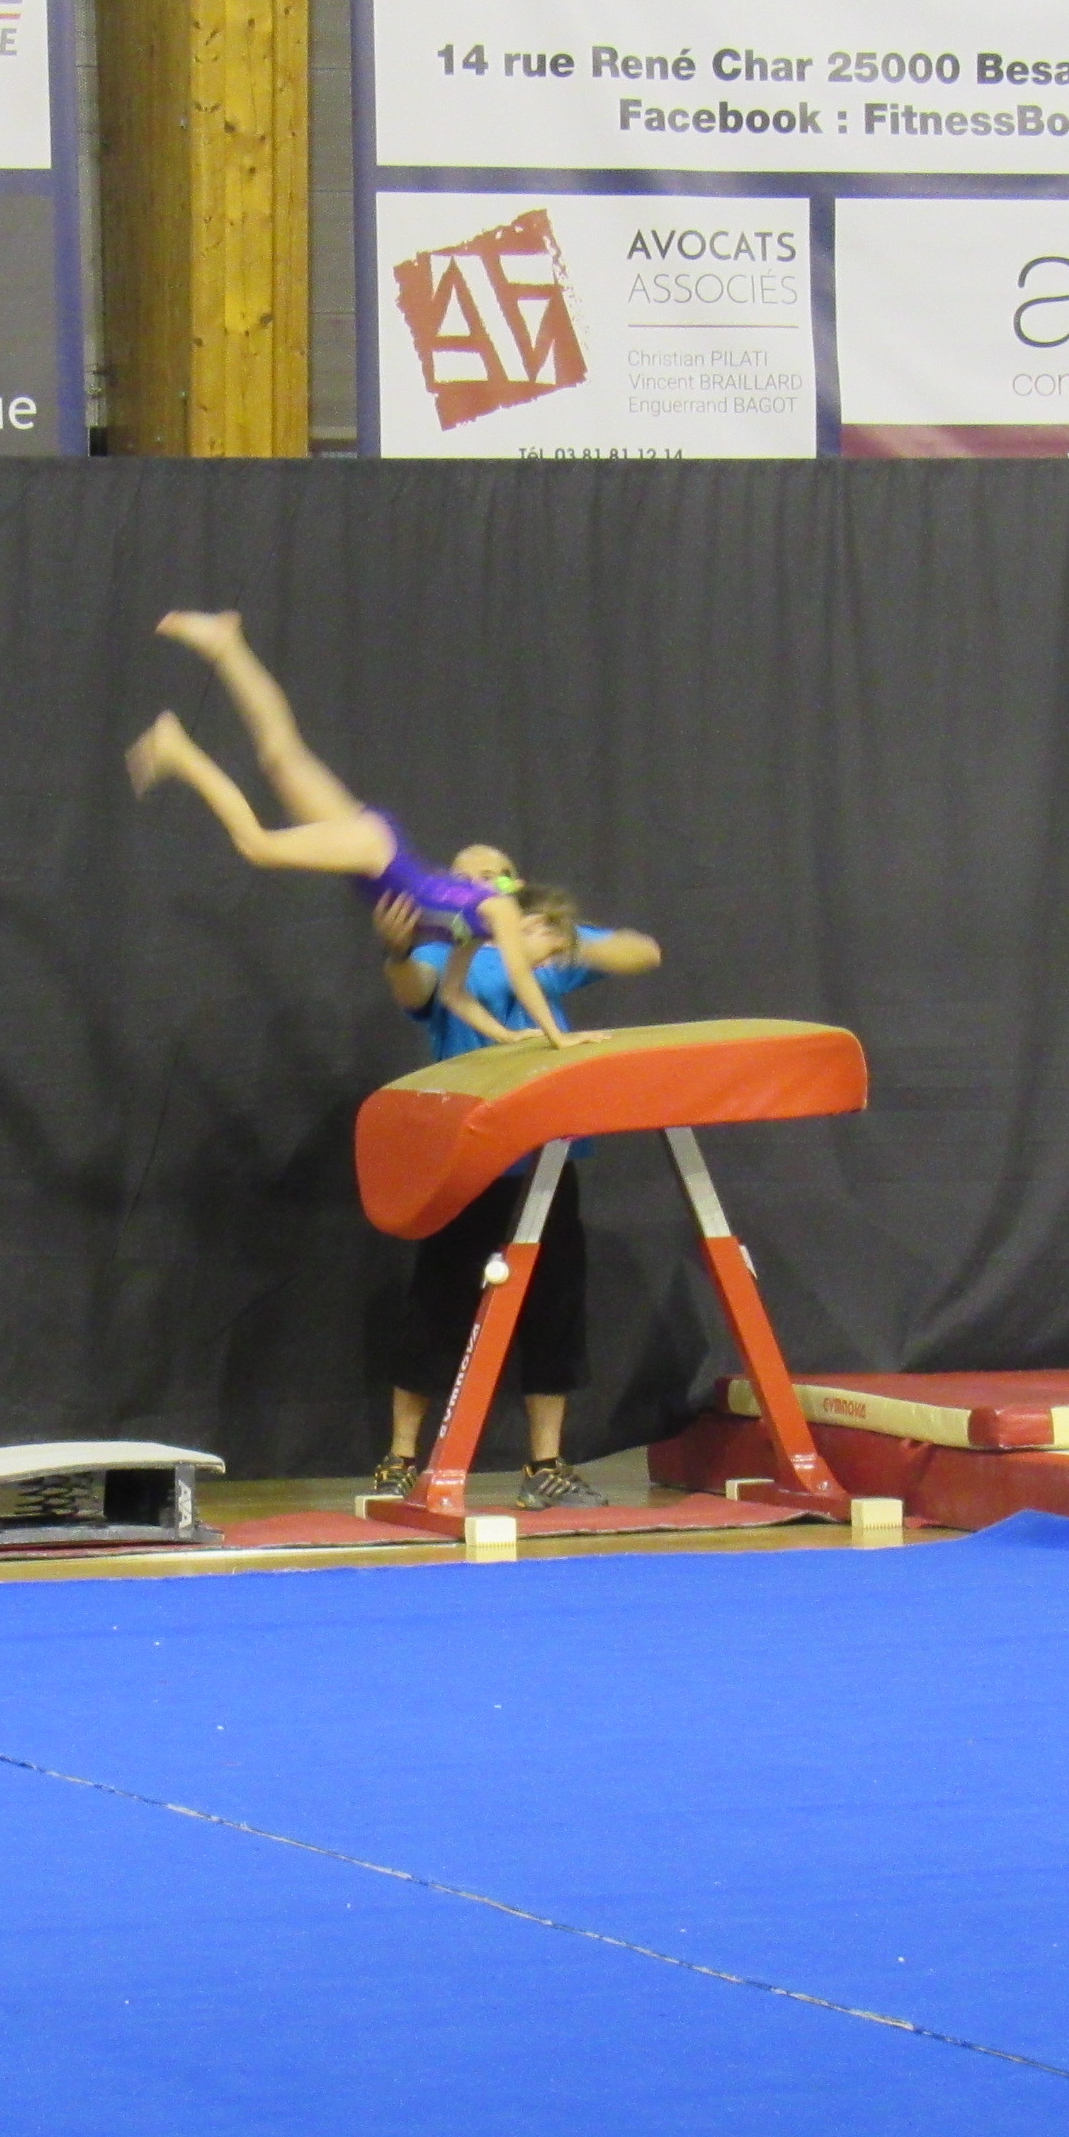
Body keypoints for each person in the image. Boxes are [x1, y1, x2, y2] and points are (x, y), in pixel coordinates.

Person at [127, 609, 605, 1050]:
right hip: (378, 853)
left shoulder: (471, 935)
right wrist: (557, 1038)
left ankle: (227, 646)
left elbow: (455, 997)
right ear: (529, 920)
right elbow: (520, 977)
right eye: (548, 949)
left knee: (281, 757)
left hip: (374, 851)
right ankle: (180, 753)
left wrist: (508, 1036)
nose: (543, 962)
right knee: (258, 845)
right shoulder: (498, 909)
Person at [372, 883, 663, 1512]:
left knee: (553, 1305)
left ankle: (546, 1464)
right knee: (439, 1302)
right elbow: (418, 991)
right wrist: (397, 954)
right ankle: (401, 1457)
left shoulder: (545, 956)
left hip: (546, 1158)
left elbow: (644, 953)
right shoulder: (449, 953)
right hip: (468, 1157)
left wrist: (564, 942)